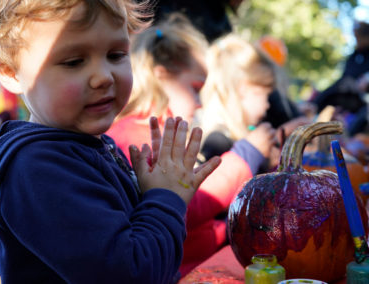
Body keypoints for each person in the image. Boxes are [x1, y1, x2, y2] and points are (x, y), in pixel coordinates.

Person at [0, 1, 220, 283]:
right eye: (74, 61)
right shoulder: (39, 170)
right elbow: (131, 273)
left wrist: (146, 191)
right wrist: (165, 199)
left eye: (116, 55)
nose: (103, 77)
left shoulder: (86, 144)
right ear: (11, 73)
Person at [107, 14, 256, 276]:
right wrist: (246, 156)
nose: (200, 102)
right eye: (195, 88)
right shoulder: (136, 138)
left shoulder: (157, 133)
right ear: (162, 76)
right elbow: (186, 205)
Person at [198, 34, 309, 173]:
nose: (268, 105)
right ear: (243, 90)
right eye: (264, 95)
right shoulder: (218, 141)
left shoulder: (240, 136)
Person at [312, 20, 369, 136]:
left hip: (359, 100)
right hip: (346, 94)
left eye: (359, 38)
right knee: (331, 93)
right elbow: (345, 76)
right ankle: (313, 106)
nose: (357, 41)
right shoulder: (355, 55)